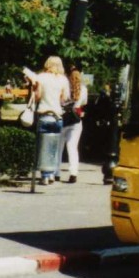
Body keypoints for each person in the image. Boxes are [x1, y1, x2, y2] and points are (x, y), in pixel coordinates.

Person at [32, 56, 70, 184]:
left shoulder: (41, 77)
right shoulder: (63, 79)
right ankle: (52, 173)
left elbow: (37, 97)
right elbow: (64, 99)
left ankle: (45, 175)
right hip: (57, 116)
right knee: (54, 146)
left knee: (43, 146)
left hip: (44, 114)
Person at [60, 65, 89, 184]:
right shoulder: (83, 88)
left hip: (63, 117)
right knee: (72, 147)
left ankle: (55, 173)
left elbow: (61, 101)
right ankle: (73, 173)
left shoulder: (65, 87)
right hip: (76, 118)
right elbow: (84, 102)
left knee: (59, 146)